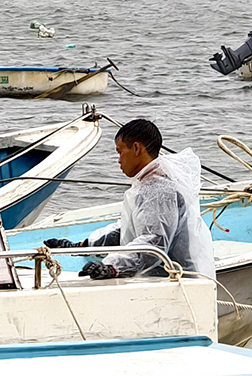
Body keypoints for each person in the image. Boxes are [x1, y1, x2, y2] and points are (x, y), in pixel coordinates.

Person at [63, 118, 213, 281]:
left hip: (174, 279)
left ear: (135, 148)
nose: (119, 160)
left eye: (120, 152)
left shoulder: (158, 189)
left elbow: (155, 242)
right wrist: (84, 245)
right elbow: (129, 229)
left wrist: (113, 267)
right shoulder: (153, 182)